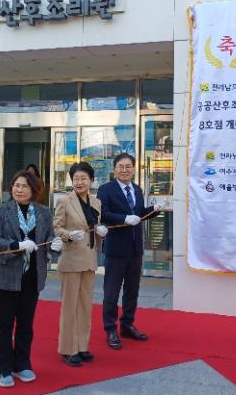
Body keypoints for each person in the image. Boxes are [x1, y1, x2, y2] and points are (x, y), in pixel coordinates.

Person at [0, 170, 62, 388]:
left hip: (32, 276)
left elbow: (49, 238)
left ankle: (22, 363)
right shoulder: (2, 210)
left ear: (33, 190)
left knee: (26, 325)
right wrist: (16, 245)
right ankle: (4, 368)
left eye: (24, 186)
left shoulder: (43, 212)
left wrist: (55, 244)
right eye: (16, 185)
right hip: (7, 276)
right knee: (4, 325)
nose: (19, 190)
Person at [98, 153, 161, 350]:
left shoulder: (137, 189)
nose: (124, 170)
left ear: (134, 169)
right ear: (114, 169)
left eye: (128, 167)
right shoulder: (106, 189)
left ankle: (127, 324)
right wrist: (124, 218)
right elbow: (103, 214)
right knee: (111, 291)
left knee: (132, 290)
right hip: (116, 248)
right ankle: (110, 328)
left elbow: (139, 214)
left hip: (135, 249)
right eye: (121, 166)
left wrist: (154, 209)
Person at [54, 162, 108, 367]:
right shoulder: (64, 201)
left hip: (89, 260)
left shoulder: (96, 202)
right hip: (70, 260)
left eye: (83, 178)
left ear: (91, 181)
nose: (79, 182)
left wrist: (101, 232)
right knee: (70, 307)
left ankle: (82, 346)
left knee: (85, 306)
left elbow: (94, 227)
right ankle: (68, 349)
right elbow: (57, 228)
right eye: (76, 178)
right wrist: (68, 235)